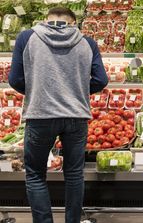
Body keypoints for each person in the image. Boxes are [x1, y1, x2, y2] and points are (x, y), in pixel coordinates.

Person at [8, 7, 108, 223]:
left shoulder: (27, 37)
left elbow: (15, 79)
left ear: (47, 20)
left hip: (40, 115)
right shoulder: (87, 42)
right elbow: (101, 80)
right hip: (76, 116)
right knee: (74, 174)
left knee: (35, 175)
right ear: (73, 22)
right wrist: (75, 90)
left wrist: (40, 91)